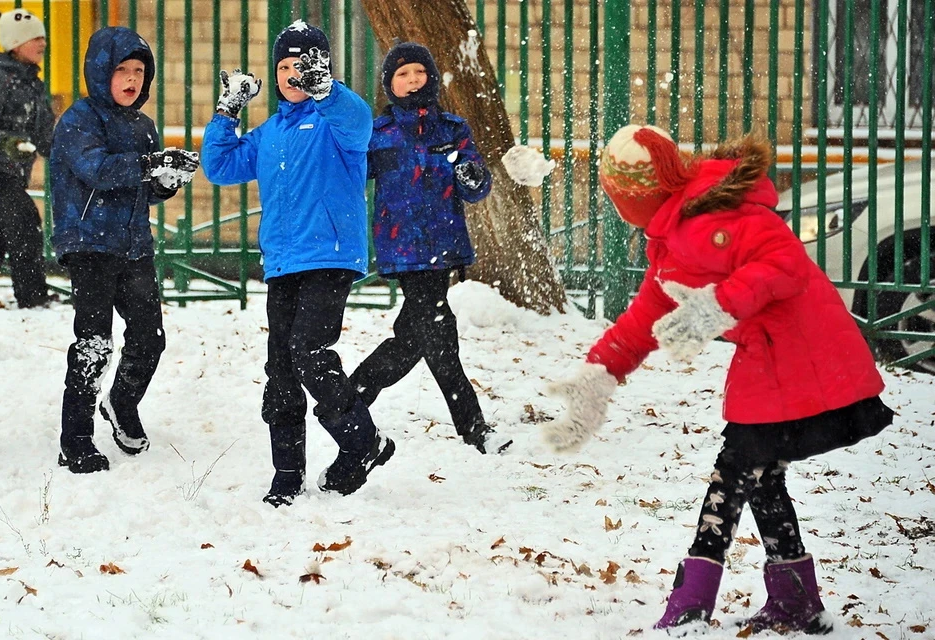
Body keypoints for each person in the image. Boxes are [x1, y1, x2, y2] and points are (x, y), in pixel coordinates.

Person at [542, 125, 894, 634]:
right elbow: (647, 316)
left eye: (617, 194)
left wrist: (716, 308)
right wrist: (599, 373)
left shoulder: (716, 218)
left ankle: (691, 604)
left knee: (732, 475)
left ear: (637, 195)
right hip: (774, 360)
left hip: (802, 357)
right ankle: (795, 601)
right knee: (760, 473)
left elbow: (785, 264)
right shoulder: (676, 232)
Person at [201, 21, 394, 506]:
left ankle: (361, 440)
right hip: (283, 262)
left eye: (303, 66)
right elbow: (220, 167)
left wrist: (326, 90)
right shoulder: (270, 133)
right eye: (285, 66)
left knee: (309, 351)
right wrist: (228, 111)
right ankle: (287, 473)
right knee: (281, 368)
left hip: (328, 255)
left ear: (322, 69)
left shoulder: (337, 121)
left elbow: (359, 122)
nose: (293, 74)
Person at [348, 41, 512, 455]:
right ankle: (475, 430)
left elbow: (478, 188)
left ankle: (349, 398)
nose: (412, 80)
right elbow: (350, 180)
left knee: (416, 336)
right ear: (390, 84)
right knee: (438, 330)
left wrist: (470, 171)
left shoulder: (454, 129)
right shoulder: (377, 133)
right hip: (401, 247)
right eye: (402, 74)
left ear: (431, 77)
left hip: (443, 243)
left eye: (419, 72)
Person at [50, 26, 199, 474]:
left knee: (149, 337)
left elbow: (143, 190)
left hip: (133, 246)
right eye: (122, 70)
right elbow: (97, 169)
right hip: (89, 244)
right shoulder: (79, 119)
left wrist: (165, 181)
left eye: (139, 71)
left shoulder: (144, 125)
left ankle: (122, 402)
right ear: (100, 73)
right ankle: (75, 439)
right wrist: (148, 165)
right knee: (94, 343)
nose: (132, 79)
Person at [0, 9, 55, 308]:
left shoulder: (33, 84)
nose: (42, 43)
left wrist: (60, 152)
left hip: (15, 173)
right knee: (25, 224)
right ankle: (33, 298)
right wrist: (6, 143)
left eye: (43, 37)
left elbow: (44, 133)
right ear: (15, 43)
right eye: (35, 37)